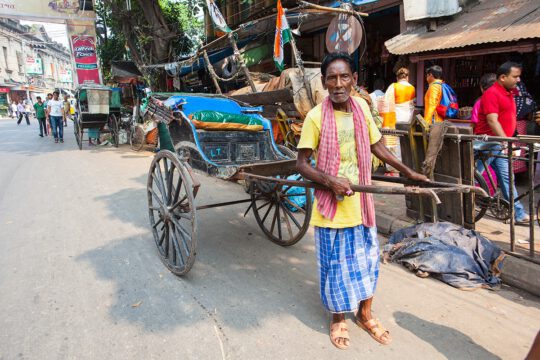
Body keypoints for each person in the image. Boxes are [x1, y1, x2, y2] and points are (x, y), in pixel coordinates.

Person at [296, 53, 429, 350]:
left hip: (362, 202)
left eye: (345, 77)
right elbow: (302, 164)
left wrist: (409, 173)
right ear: (324, 82)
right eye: (332, 77)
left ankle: (365, 314)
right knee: (335, 266)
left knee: (367, 262)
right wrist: (330, 181)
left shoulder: (360, 109)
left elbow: (377, 146)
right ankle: (338, 318)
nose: (339, 84)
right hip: (332, 206)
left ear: (355, 79)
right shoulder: (316, 117)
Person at [474, 61, 530, 224]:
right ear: (503, 77)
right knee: (472, 177)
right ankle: (461, 207)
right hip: (488, 143)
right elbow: (492, 121)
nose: (518, 80)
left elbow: (507, 119)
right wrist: (505, 141)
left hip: (499, 143)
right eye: (515, 76)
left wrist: (509, 139)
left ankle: (517, 213)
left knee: (507, 179)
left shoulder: (509, 94)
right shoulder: (492, 93)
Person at [383, 67, 416, 174]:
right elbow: (412, 104)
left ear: (397, 77)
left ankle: (394, 167)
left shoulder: (394, 86)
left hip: (395, 117)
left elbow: (386, 103)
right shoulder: (412, 88)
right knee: (405, 142)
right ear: (407, 77)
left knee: (394, 143)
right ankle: (405, 165)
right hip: (408, 117)